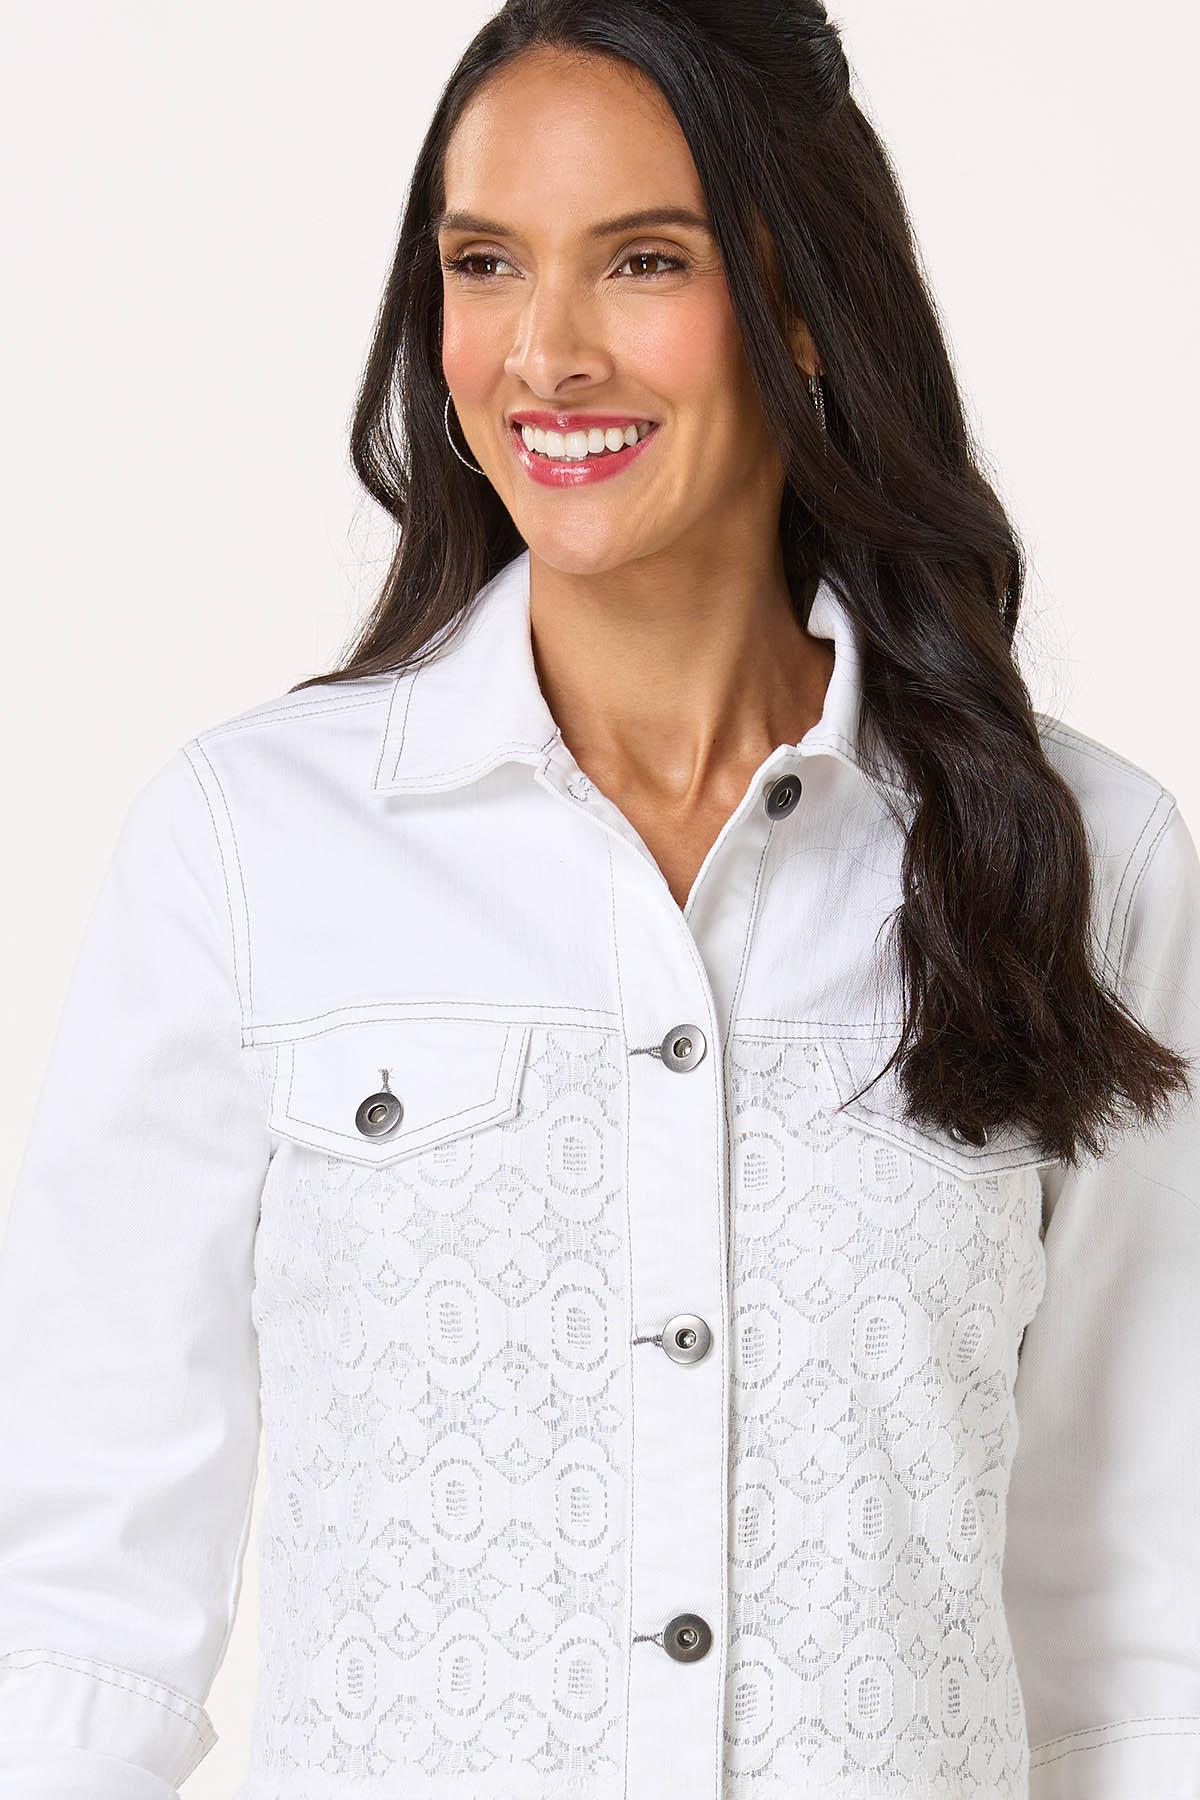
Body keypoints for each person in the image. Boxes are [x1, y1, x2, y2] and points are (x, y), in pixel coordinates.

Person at [1, 3, 1197, 1797]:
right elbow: (82, 1597)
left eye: (646, 259)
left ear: (807, 303)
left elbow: (1140, 1625)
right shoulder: (249, 851)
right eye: (485, 263)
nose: (546, 354)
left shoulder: (1080, 860)